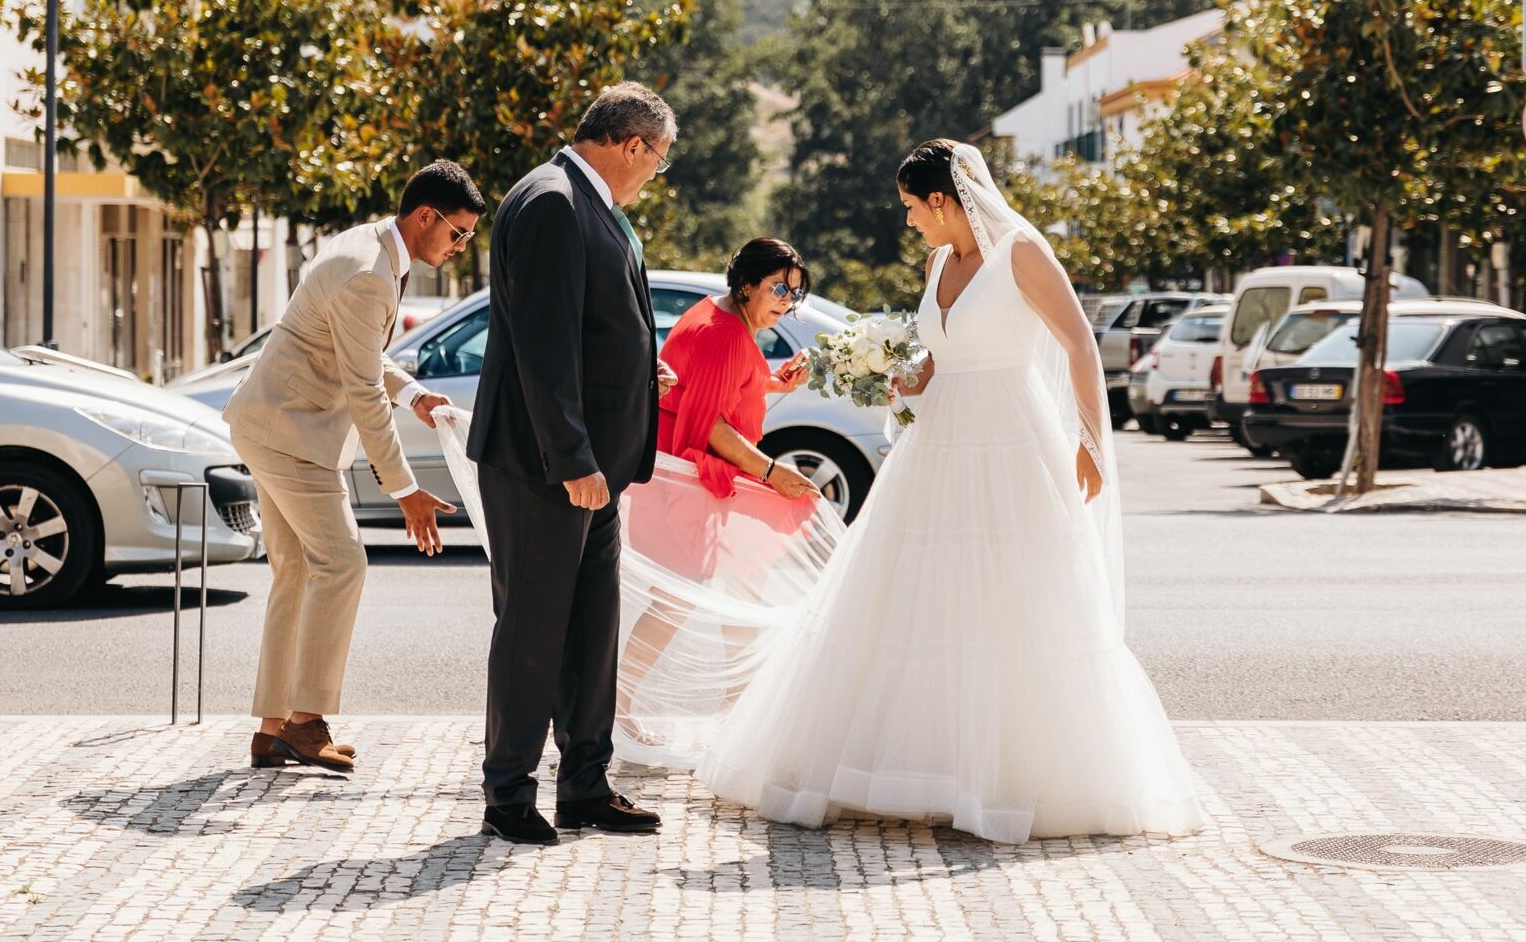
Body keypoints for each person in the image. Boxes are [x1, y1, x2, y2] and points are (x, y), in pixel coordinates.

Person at [693, 139, 1203, 844]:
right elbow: (942, 352)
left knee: (1014, 596)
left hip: (1010, 442)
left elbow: (1079, 342)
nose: (909, 223)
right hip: (936, 443)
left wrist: (1090, 441)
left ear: (942, 200)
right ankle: (916, 768)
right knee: (910, 595)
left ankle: (1002, 778)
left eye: (911, 208)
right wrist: (908, 377)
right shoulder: (938, 262)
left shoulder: (1020, 251)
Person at [465, 83, 678, 846]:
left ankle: (586, 784)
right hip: (546, 467)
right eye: (658, 159)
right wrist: (573, 458)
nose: (655, 173)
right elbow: (542, 345)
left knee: (592, 631)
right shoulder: (552, 201)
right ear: (631, 145)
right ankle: (508, 795)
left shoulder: (581, 201)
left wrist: (634, 370)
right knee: (533, 631)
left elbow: (585, 329)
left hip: (595, 469)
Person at [222, 160, 483, 773]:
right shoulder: (371, 272)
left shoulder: (370, 247)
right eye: (459, 234)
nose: (460, 247)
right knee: (341, 564)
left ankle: (272, 731)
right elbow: (362, 390)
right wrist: (406, 489)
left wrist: (414, 393)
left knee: (296, 572)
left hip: (277, 424)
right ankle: (306, 722)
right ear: (426, 217)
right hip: (289, 433)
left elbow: (359, 354)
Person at [614, 237, 819, 742]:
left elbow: (710, 386)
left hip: (698, 475)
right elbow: (708, 424)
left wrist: (773, 383)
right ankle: (618, 699)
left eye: (793, 293)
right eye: (777, 289)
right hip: (691, 476)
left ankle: (738, 705)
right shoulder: (722, 333)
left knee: (742, 583)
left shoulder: (722, 315)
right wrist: (772, 472)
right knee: (677, 597)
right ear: (746, 284)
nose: (785, 303)